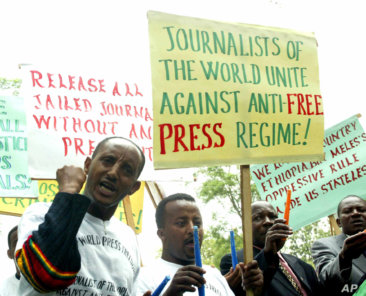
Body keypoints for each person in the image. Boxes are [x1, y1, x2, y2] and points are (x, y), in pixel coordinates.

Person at [15, 136, 147, 296]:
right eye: (108, 160)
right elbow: (44, 275)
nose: (113, 173)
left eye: (127, 169)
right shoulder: (41, 213)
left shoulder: (128, 236)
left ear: (133, 187)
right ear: (88, 165)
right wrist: (68, 191)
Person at [134, 193, 263, 296]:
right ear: (162, 234)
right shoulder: (143, 277)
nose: (192, 229)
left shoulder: (214, 276)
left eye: (197, 223)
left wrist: (253, 291)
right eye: (181, 223)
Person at [220, 200, 322, 296]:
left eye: (272, 217)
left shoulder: (302, 266)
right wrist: (268, 255)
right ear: (245, 227)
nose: (268, 222)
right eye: (258, 218)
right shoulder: (235, 262)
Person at [311, 195, 366, 295]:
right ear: (338, 222)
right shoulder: (324, 245)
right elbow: (326, 280)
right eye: (348, 211)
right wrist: (344, 257)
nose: (356, 213)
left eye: (361, 210)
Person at [0, 226, 20, 296]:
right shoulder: (2, 290)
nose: (21, 246)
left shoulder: (52, 285)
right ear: (10, 254)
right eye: (16, 242)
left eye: (25, 240)